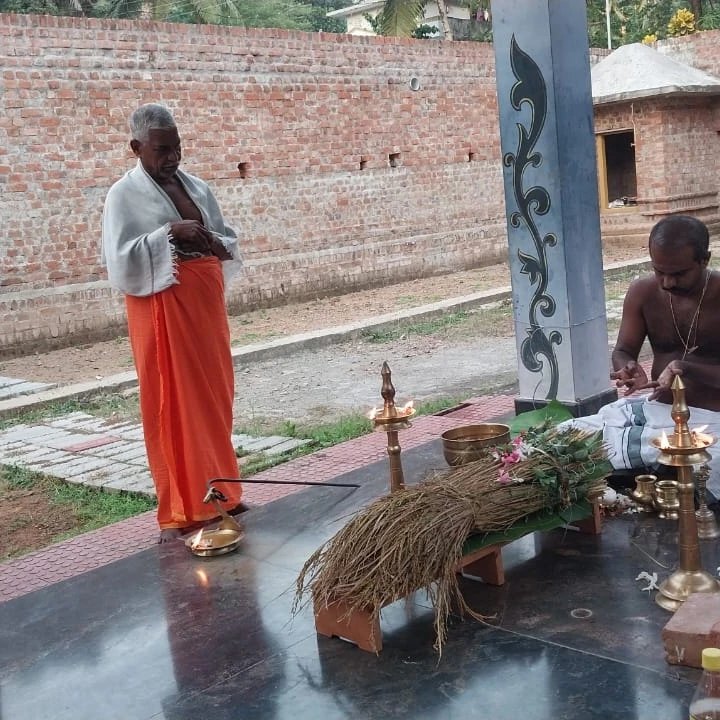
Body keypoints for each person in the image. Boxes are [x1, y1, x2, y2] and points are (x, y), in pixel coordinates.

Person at [101, 103, 243, 542]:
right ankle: (187, 505)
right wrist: (168, 235)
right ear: (136, 147)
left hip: (203, 307)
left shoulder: (197, 187)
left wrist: (213, 242)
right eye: (163, 149)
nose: (173, 157)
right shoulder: (122, 196)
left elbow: (226, 236)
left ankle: (224, 494)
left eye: (177, 146)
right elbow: (119, 260)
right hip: (163, 313)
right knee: (174, 404)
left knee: (215, 399)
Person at [567, 214, 720, 497]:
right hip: (653, 410)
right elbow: (623, 350)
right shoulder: (643, 291)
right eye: (659, 271)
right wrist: (627, 367)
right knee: (565, 437)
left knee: (714, 462)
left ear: (705, 259)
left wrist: (686, 368)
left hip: (712, 419)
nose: (667, 282)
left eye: (678, 273)